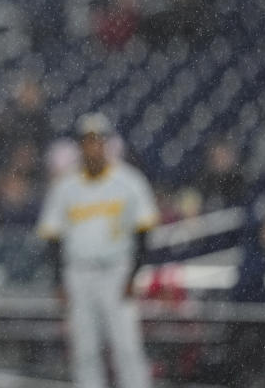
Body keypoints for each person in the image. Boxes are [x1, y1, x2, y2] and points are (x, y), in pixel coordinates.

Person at [36, 112, 159, 388]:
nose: (92, 146)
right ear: (80, 146)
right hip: (78, 273)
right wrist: (59, 281)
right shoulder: (65, 186)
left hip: (116, 271)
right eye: (87, 141)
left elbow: (144, 233)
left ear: (106, 143)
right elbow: (53, 237)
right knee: (85, 350)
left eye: (98, 140)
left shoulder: (129, 181)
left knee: (126, 346)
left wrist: (133, 275)